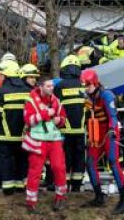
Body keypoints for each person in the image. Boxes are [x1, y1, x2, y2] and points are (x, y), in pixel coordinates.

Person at [81, 69, 124, 215]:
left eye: (88, 85)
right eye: (85, 85)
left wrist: (112, 131)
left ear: (95, 83)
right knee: (90, 163)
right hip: (96, 132)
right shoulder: (87, 96)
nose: (87, 88)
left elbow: (113, 116)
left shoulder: (106, 95)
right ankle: (99, 196)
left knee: (113, 161)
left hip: (109, 130)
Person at [23, 76, 67, 213]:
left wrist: (59, 120)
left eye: (52, 86)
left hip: (54, 139)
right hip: (37, 140)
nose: (51, 88)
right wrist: (45, 114)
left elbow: (63, 119)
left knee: (59, 167)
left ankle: (60, 198)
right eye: (48, 86)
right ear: (40, 87)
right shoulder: (30, 100)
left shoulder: (56, 101)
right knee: (35, 171)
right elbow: (29, 120)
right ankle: (31, 203)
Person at [0, 60, 29, 195]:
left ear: (8, 75)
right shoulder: (28, 91)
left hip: (4, 137)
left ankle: (8, 189)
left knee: (6, 162)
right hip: (24, 136)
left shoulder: (1, 92)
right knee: (22, 161)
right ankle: (21, 186)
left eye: (2, 75)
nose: (0, 77)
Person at [54, 55, 86, 192]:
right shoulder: (84, 85)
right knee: (79, 158)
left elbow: (53, 107)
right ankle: (77, 186)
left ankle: (64, 186)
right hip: (81, 130)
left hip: (64, 131)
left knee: (65, 159)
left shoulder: (59, 86)